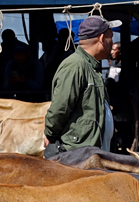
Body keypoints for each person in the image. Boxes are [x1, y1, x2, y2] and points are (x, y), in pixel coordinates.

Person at [44, 15, 120, 156]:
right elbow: (60, 108)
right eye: (111, 37)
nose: (112, 42)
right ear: (102, 39)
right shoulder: (75, 65)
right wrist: (50, 134)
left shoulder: (91, 65)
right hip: (78, 154)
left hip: (92, 152)